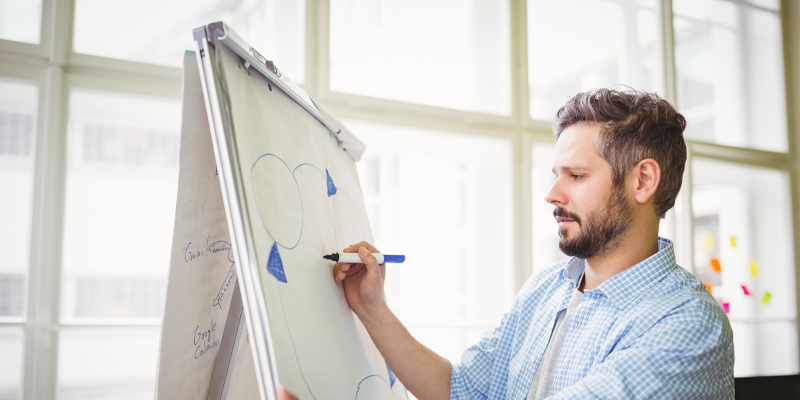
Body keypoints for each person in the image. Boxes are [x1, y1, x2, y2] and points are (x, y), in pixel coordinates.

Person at [278, 88, 734, 399]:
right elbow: (460, 390)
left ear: (643, 180)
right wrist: (371, 308)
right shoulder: (545, 290)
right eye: (555, 175)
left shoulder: (689, 325)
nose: (553, 194)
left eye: (576, 176)